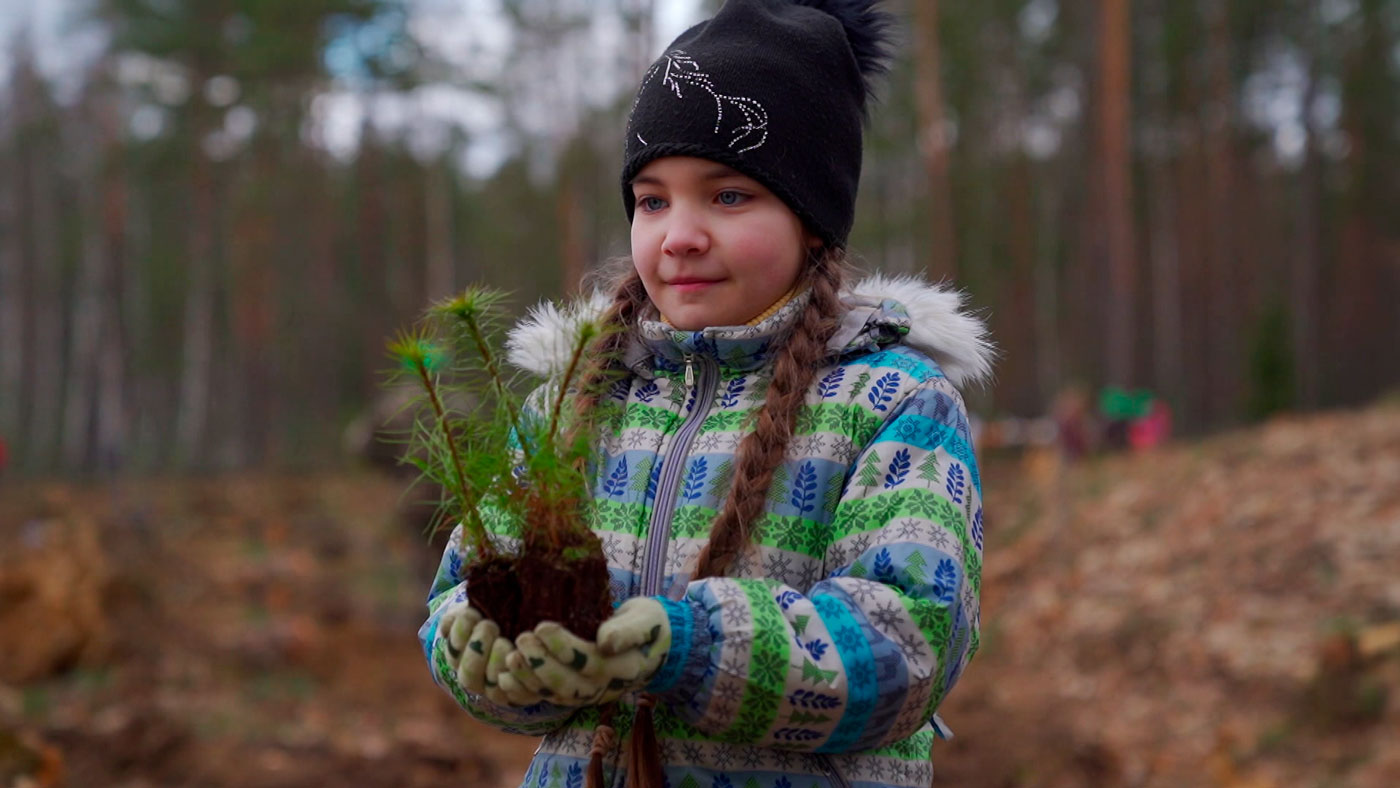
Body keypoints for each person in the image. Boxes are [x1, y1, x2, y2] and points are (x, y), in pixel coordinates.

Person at [418, 1, 995, 786]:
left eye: (728, 196)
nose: (678, 234)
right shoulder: (570, 407)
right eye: (652, 200)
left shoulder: (893, 402)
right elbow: (462, 588)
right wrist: (482, 650)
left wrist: (684, 648)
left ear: (814, 220)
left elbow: (908, 643)